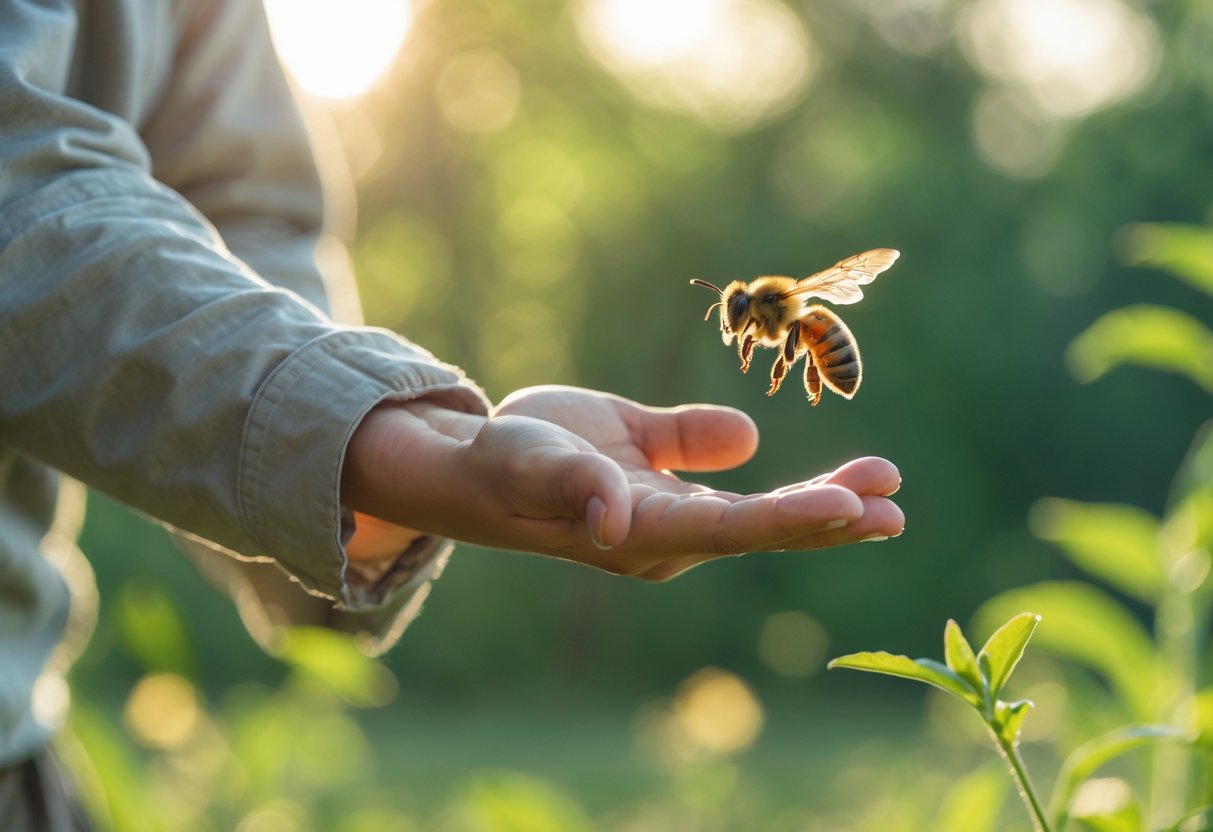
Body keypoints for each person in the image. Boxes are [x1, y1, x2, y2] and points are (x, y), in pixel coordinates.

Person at [0, 0, 905, 826]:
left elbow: (243, 222)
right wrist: (361, 431)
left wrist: (356, 482)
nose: (743, 324)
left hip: (27, 760)